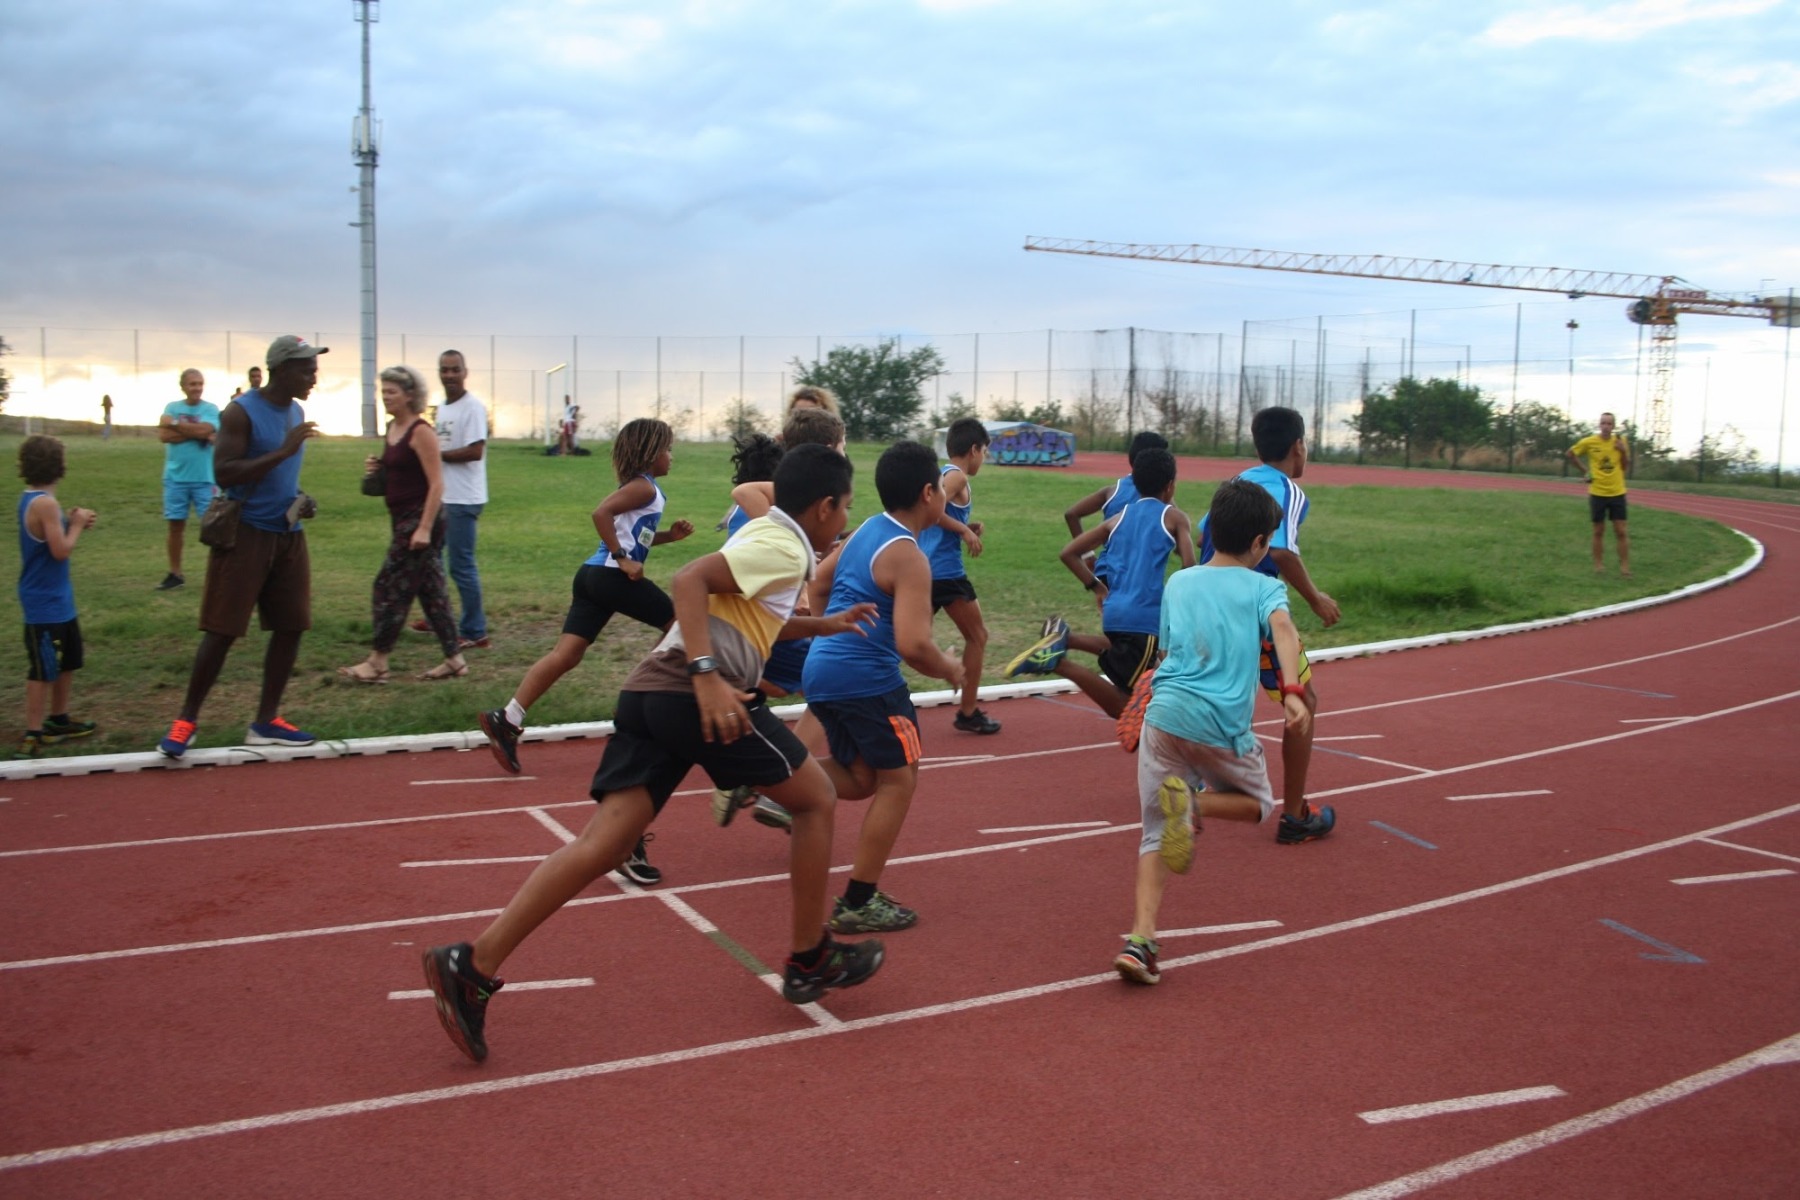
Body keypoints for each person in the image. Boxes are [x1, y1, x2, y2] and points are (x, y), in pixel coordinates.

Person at [421, 444, 885, 1063]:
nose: (846, 523)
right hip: (694, 695)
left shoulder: (770, 537)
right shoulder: (785, 546)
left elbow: (742, 610)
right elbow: (691, 579)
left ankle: (472, 964)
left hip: (648, 692)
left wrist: (821, 625)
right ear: (824, 507)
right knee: (816, 798)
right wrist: (706, 674)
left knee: (603, 844)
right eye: (846, 509)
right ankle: (810, 958)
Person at [1112, 479, 1319, 985]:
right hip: (1219, 722)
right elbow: (1284, 630)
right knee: (1259, 803)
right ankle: (1193, 805)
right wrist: (1292, 690)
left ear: (1209, 532)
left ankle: (1140, 942)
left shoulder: (1180, 582)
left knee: (1154, 832)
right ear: (1260, 543)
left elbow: (1167, 654)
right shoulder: (1265, 587)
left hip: (1164, 715)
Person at [478, 418, 694, 883]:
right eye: (668, 449)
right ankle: (646, 696)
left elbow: (632, 534)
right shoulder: (642, 486)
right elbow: (601, 514)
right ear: (651, 451)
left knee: (567, 654)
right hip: (610, 575)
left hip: (591, 575)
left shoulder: (643, 489)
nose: (672, 456)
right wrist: (623, 559)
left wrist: (668, 538)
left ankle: (508, 716)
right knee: (681, 623)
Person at [800, 441, 967, 933]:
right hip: (866, 678)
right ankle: (858, 901)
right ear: (928, 493)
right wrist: (951, 668)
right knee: (900, 778)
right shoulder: (910, 557)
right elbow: (914, 645)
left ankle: (771, 774)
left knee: (861, 778)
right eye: (941, 490)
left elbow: (819, 583)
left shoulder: (866, 530)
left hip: (822, 670)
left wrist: (829, 633)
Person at [157, 335, 324, 759]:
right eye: (306, 369)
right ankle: (186, 721)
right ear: (280, 370)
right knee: (222, 630)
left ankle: (266, 720)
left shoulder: (296, 411)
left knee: (291, 625)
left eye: (314, 369)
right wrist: (284, 451)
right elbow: (226, 472)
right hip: (246, 534)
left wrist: (300, 499)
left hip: (287, 534)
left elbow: (280, 475)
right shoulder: (240, 411)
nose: (313, 377)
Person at [1194, 405, 1338, 845]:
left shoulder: (1234, 485)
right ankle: (1294, 815)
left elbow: (1203, 537)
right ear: (1298, 447)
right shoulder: (1289, 492)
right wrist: (1316, 598)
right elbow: (1280, 551)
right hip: (1254, 613)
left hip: (1206, 607)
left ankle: (1189, 784)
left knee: (1212, 700)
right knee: (1303, 701)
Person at [711, 408, 848, 832]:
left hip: (745, 629)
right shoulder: (781, 505)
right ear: (827, 450)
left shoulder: (790, 505)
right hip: (756, 629)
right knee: (832, 683)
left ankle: (750, 773)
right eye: (843, 446)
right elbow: (747, 496)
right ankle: (778, 784)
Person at [1005, 448, 1194, 720]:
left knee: (1148, 668)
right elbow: (1189, 567)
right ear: (1170, 486)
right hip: (1145, 619)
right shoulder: (1175, 517)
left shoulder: (1117, 519)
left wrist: (1097, 588)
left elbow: (1068, 553)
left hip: (1113, 613)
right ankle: (1058, 664)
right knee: (1127, 706)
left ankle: (1065, 639)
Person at [338, 366, 466, 684]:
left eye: (392, 392)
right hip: (401, 519)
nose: (385, 397)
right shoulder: (393, 428)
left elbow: (437, 484)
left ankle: (378, 662)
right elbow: (399, 474)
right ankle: (455, 660)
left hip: (421, 519)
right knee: (431, 591)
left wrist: (424, 528)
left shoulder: (421, 431)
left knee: (387, 587)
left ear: (410, 395)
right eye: (383, 391)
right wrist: (378, 469)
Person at [14, 436, 98, 759]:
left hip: (59, 598)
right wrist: (75, 525)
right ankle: (34, 732)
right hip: (43, 603)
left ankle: (59, 718)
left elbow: (51, 536)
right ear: (59, 467)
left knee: (68, 660)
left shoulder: (36, 500)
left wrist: (74, 522)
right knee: (43, 667)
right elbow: (60, 550)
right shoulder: (45, 504)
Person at [921, 417, 1001, 734]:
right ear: (974, 449)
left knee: (904, 642)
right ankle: (967, 711)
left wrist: (965, 527)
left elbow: (939, 514)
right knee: (977, 636)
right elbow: (931, 510)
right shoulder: (956, 476)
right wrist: (964, 531)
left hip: (927, 570)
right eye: (985, 452)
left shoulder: (944, 473)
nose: (985, 458)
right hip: (945, 573)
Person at [411, 349, 489, 649]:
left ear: (465, 372)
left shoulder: (473, 408)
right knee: (433, 563)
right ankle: (436, 618)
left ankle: (475, 631)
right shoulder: (443, 407)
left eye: (455, 369)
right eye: (444, 370)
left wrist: (435, 455)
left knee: (461, 565)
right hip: (444, 495)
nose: (450, 375)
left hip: (464, 498)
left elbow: (475, 451)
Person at [1062, 430, 1169, 583]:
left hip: (1107, 570)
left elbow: (1071, 514)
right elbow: (1177, 529)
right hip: (1139, 575)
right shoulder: (1161, 496)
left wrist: (1087, 555)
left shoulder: (1112, 491)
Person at [156, 368, 221, 591]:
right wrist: (197, 433)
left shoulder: (210, 409)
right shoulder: (172, 407)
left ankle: (218, 574)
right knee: (175, 526)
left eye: (200, 384)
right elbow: (164, 436)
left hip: (205, 479)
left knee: (213, 528)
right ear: (183, 386)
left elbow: (206, 430)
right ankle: (175, 574)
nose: (197, 388)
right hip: (175, 478)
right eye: (192, 384)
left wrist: (174, 425)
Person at [1567, 411, 1632, 576]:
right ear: (1599, 424)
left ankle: (1625, 568)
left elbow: (1625, 466)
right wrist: (1585, 471)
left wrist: (1623, 451)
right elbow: (1570, 454)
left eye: (1609, 423)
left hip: (1617, 492)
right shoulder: (1590, 442)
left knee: (1621, 531)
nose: (1606, 426)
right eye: (1603, 423)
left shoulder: (1620, 441)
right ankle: (1598, 565)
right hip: (1598, 493)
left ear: (1613, 426)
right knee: (1598, 530)